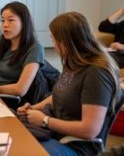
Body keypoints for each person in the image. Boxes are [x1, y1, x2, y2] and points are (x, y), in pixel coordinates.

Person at [17, 12, 122, 156]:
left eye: (54, 40)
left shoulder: (96, 73)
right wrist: (35, 108)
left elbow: (89, 130)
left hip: (76, 147)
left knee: (20, 150)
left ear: (66, 42)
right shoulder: (74, 61)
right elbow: (61, 93)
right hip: (55, 134)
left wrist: (45, 120)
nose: (53, 45)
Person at [0, 1, 49, 104]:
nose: (5, 25)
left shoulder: (35, 48)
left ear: (24, 23)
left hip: (8, 100)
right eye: (2, 20)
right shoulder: (3, 43)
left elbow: (20, 89)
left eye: (11, 20)